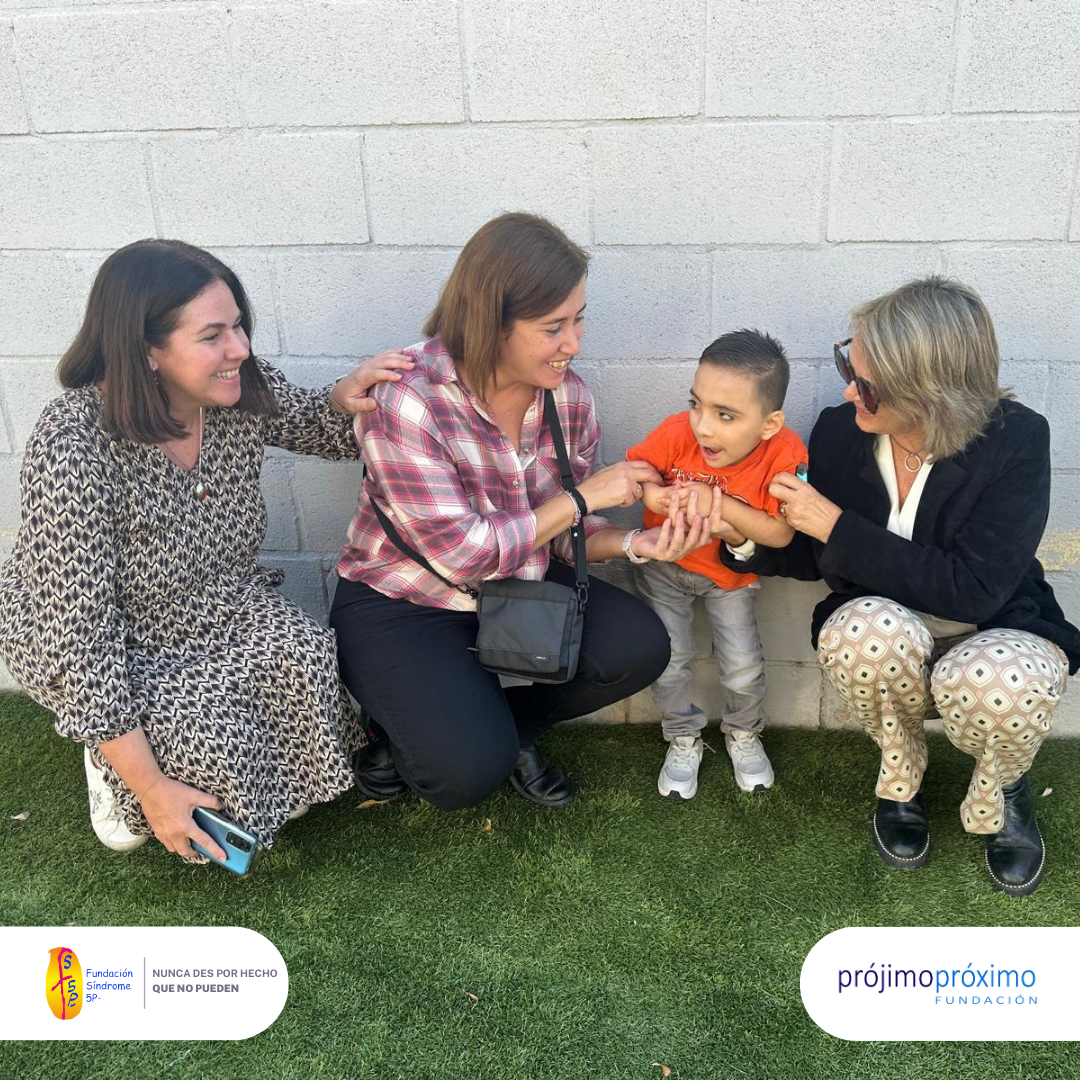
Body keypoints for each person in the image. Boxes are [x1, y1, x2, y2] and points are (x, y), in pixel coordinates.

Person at [0, 239, 413, 862]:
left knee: (303, 656)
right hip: (114, 635)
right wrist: (151, 786)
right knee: (206, 745)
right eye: (213, 335)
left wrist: (346, 394)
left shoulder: (235, 388)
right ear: (147, 349)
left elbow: (314, 426)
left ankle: (218, 768)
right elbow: (78, 638)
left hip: (215, 600)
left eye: (239, 326)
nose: (239, 348)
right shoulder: (73, 444)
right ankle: (113, 767)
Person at [330, 212, 718, 811]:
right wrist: (584, 496)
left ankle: (502, 727)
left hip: (514, 583)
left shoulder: (570, 397)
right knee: (462, 778)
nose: (574, 344)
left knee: (638, 646)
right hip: (403, 598)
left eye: (579, 319)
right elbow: (465, 552)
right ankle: (414, 731)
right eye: (553, 327)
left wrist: (637, 543)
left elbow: (564, 532)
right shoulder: (408, 399)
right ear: (490, 322)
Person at [718, 276, 1080, 896]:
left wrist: (836, 525)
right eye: (848, 366)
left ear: (929, 390)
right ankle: (901, 778)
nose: (846, 390)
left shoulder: (1017, 440)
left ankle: (1004, 788)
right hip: (888, 627)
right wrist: (740, 535)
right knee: (862, 633)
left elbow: (976, 587)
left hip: (995, 626)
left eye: (865, 383)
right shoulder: (842, 431)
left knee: (1000, 681)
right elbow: (815, 553)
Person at [626, 330, 807, 799]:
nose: (703, 427)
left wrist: (718, 504)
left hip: (732, 577)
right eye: (696, 404)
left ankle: (743, 731)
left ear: (769, 424)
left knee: (743, 666)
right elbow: (639, 474)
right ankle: (681, 736)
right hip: (663, 567)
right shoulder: (677, 432)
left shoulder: (785, 452)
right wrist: (656, 496)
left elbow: (780, 534)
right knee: (668, 662)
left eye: (725, 415)